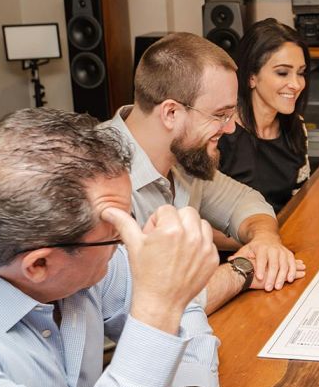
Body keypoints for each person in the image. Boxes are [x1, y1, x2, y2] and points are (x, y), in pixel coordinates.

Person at [0, 108, 223, 387]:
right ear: (39, 265)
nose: (126, 244)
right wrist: (157, 308)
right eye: (116, 235)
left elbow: (186, 313)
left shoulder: (78, 250)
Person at [102, 32, 305, 314]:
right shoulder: (97, 181)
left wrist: (264, 240)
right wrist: (243, 269)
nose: (230, 127)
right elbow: (153, 310)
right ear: (171, 113)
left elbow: (244, 201)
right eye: (220, 115)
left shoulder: (182, 156)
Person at [218, 19, 311, 215]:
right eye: (283, 73)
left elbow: (300, 200)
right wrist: (266, 234)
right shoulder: (218, 134)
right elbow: (204, 219)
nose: (296, 84)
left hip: (286, 235)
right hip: (240, 242)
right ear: (251, 76)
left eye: (301, 73)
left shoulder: (296, 127)